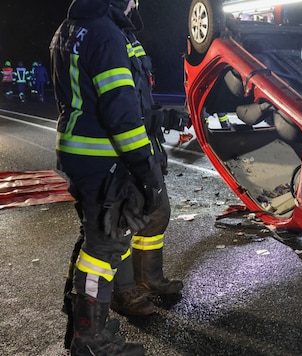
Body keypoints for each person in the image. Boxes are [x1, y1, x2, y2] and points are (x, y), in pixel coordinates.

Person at [51, 0, 166, 353]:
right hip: (104, 156)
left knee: (93, 238)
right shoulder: (105, 34)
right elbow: (119, 109)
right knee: (105, 246)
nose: (135, 3)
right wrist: (144, 167)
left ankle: (83, 321)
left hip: (78, 152)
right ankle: (90, 339)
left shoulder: (71, 29)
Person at [107, 0, 184, 317]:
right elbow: (115, 108)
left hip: (142, 141)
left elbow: (138, 97)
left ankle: (148, 279)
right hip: (119, 149)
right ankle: (124, 293)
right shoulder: (104, 36)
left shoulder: (126, 36)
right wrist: (153, 122)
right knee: (122, 224)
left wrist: (163, 118)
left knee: (157, 211)